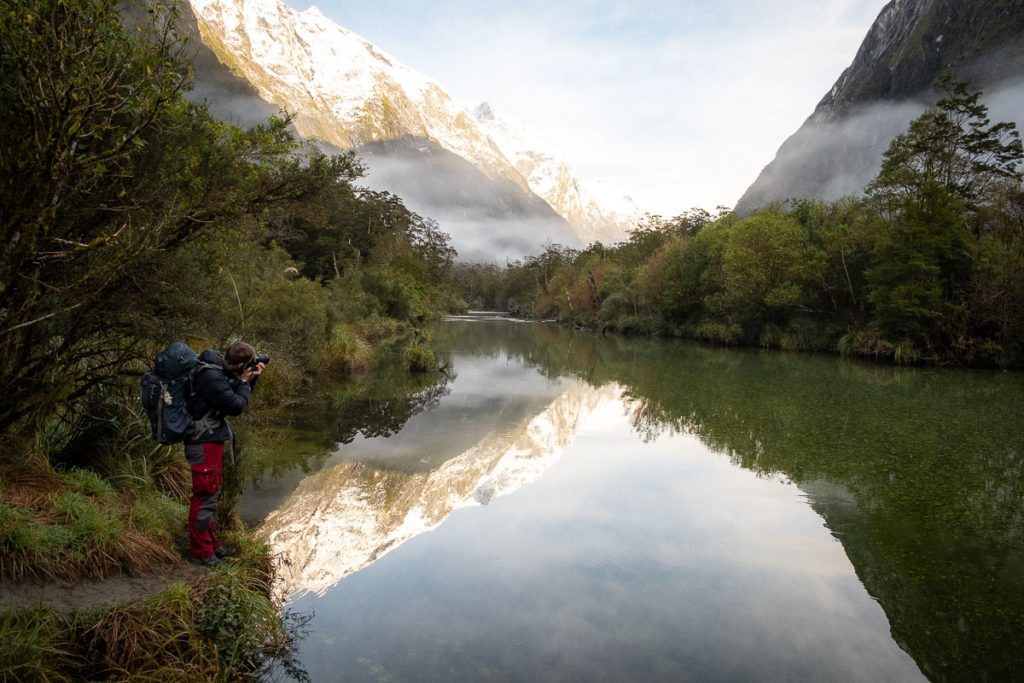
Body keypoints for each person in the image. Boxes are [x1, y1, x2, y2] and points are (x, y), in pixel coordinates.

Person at [184, 341, 264, 567]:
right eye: (247, 365)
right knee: (204, 497)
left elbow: (233, 395)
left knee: (212, 495)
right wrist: (246, 381)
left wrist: (250, 379)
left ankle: (212, 546)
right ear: (240, 364)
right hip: (203, 442)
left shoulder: (218, 372)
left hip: (210, 440)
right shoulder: (211, 377)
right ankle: (201, 552)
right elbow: (236, 405)